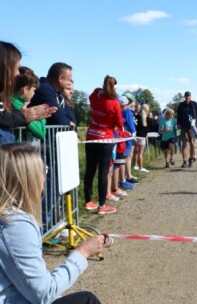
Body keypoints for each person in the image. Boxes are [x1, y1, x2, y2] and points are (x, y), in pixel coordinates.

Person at [0, 143, 111, 304]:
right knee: (87, 300)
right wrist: (83, 252)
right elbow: (44, 294)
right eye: (43, 170)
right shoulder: (16, 225)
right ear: (28, 179)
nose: (45, 176)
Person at [0, 41, 56, 141]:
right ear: (4, 66)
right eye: (16, 68)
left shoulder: (4, 98)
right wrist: (23, 117)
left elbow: (4, 115)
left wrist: (24, 115)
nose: (17, 73)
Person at [83, 75, 123, 215]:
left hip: (91, 137)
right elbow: (119, 123)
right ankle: (101, 206)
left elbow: (92, 95)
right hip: (105, 139)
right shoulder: (114, 103)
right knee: (103, 173)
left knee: (90, 170)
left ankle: (88, 201)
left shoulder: (95, 95)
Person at [11, 67, 46, 139]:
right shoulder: (18, 106)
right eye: (34, 90)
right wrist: (42, 117)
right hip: (16, 148)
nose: (34, 93)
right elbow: (41, 133)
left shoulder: (9, 100)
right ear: (25, 89)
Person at [176, 91, 197, 168]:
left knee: (192, 143)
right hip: (183, 126)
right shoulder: (181, 105)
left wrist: (195, 119)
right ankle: (184, 161)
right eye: (186, 97)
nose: (187, 98)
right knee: (184, 143)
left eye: (189, 97)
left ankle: (191, 159)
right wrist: (178, 125)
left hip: (192, 127)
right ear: (184, 97)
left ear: (191, 97)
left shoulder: (195, 104)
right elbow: (178, 116)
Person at [134, 104, 150, 173]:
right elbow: (150, 127)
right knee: (141, 153)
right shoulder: (147, 118)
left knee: (136, 152)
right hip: (142, 136)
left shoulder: (137, 116)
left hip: (136, 135)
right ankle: (141, 167)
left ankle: (135, 165)